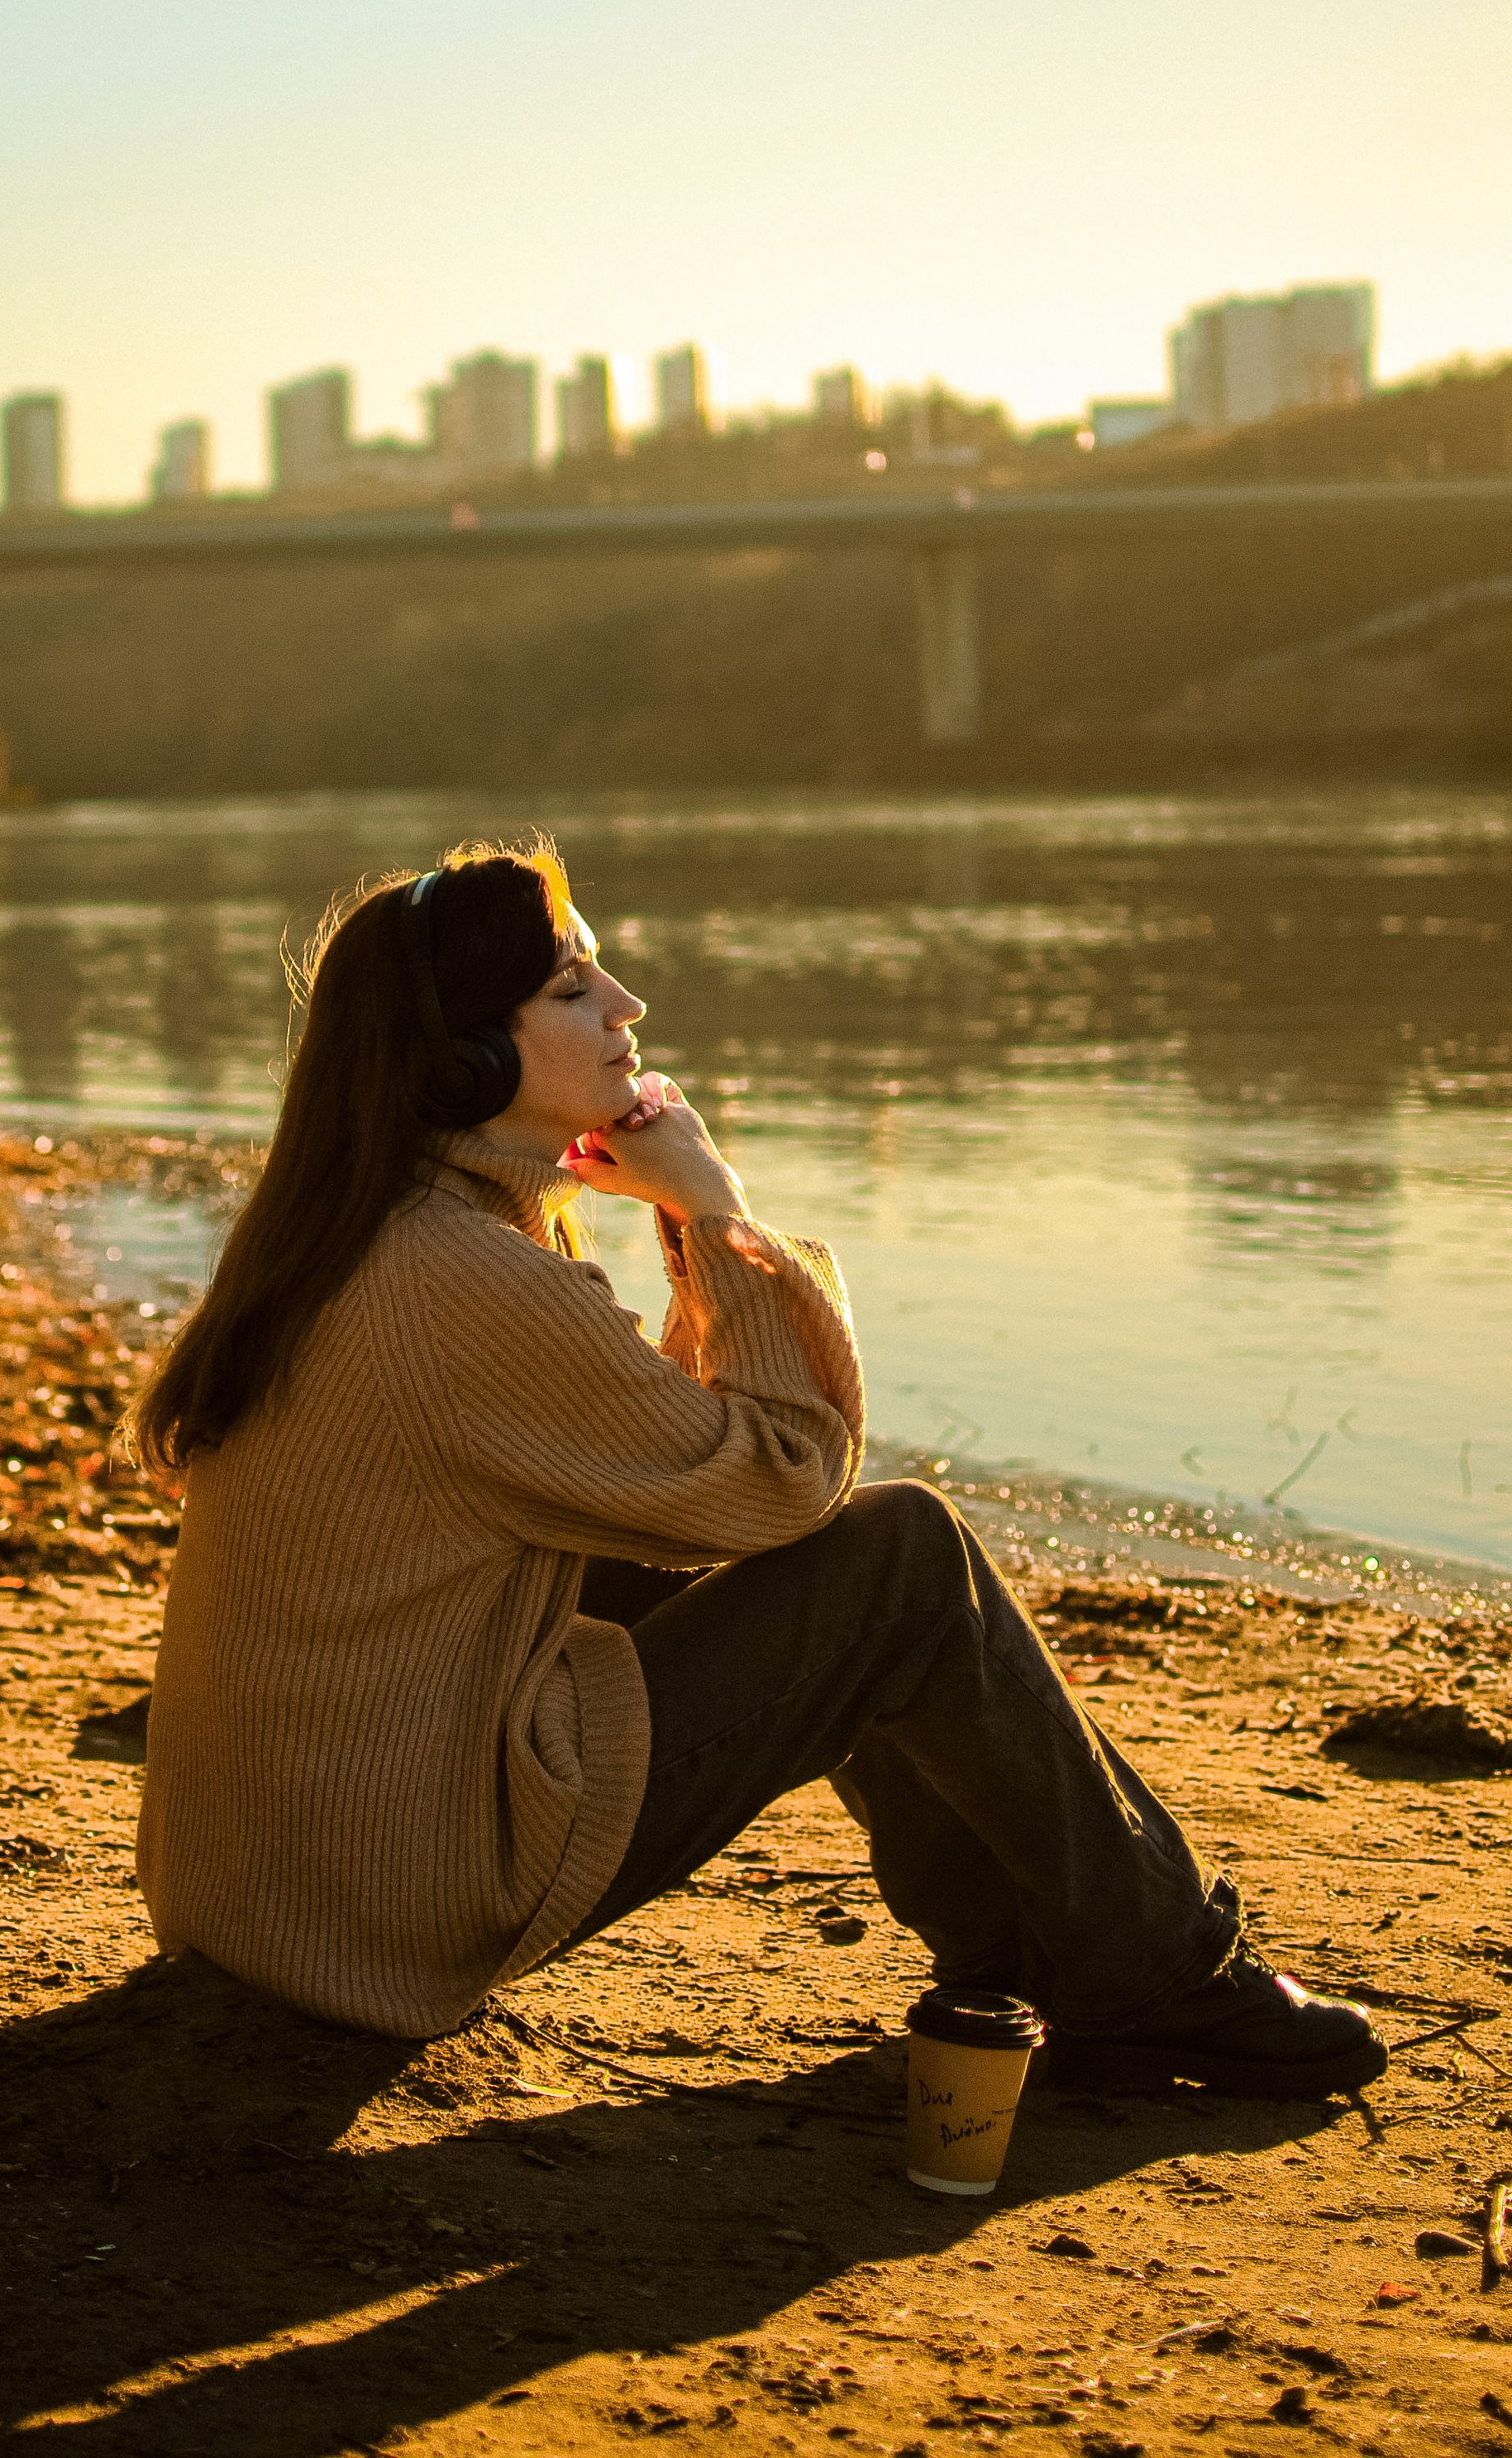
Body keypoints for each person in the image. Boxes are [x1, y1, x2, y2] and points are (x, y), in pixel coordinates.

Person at [133, 839, 1383, 2094]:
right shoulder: (464, 1278)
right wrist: (713, 1205)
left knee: (719, 1559)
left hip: (265, 1884)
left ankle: (1029, 1952)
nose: (628, 1006)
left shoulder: (374, 1225)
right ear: (464, 1053)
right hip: (381, 1905)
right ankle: (1162, 1976)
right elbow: (788, 1475)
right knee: (901, 1558)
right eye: (572, 987)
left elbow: (671, 1466)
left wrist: (689, 1229)